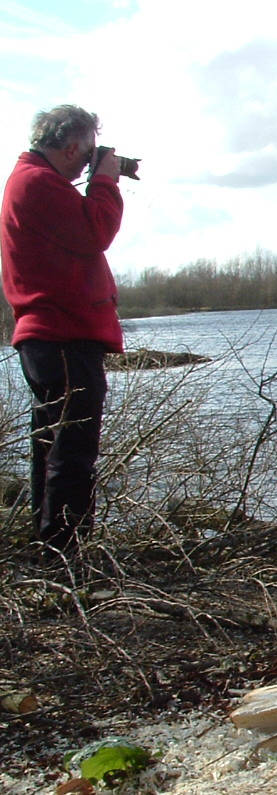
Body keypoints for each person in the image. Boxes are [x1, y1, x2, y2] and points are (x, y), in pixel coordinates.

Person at [1, 104, 125, 560]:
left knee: (53, 445)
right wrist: (105, 180)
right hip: (62, 335)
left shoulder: (32, 179)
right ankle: (63, 553)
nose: (91, 160)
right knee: (72, 451)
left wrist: (99, 176)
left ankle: (49, 544)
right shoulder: (38, 183)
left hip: (50, 335)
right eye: (88, 152)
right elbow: (96, 231)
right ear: (73, 146)